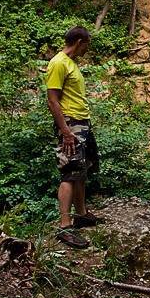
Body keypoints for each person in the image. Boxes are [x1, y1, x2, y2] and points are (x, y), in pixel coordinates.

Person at [46, 26, 100, 249]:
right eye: (87, 45)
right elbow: (52, 100)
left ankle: (82, 214)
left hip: (81, 122)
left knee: (82, 169)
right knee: (69, 172)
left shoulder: (71, 64)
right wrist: (66, 132)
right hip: (71, 124)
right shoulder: (58, 63)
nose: (87, 49)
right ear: (79, 42)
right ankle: (65, 226)